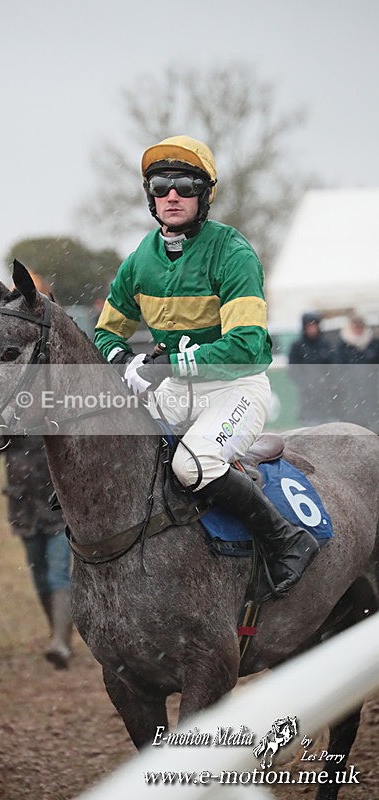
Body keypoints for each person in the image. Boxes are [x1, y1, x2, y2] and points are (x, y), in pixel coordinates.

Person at [94, 135, 319, 600]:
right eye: (160, 185)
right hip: (176, 391)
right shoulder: (139, 259)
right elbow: (105, 333)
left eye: (184, 184)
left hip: (234, 389)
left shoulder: (232, 252)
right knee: (117, 453)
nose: (171, 194)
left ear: (205, 193)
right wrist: (124, 361)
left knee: (192, 467)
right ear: (150, 195)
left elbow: (247, 345)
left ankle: (285, 540)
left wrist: (168, 365)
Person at [0, 436, 73, 669]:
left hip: (60, 510)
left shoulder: (55, 413)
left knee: (58, 574)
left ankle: (60, 642)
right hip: (24, 511)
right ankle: (59, 631)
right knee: (41, 579)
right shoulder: (7, 420)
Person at [333, 313, 379, 431]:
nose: (358, 330)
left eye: (360, 327)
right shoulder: (343, 346)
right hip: (350, 391)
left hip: (370, 391)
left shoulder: (373, 345)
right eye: (355, 327)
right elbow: (338, 368)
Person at [288, 312, 335, 425]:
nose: (312, 329)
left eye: (314, 326)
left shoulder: (325, 344)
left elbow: (332, 365)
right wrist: (305, 382)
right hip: (308, 393)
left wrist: (329, 381)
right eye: (309, 326)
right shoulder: (298, 346)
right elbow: (293, 368)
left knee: (327, 424)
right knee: (311, 425)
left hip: (326, 392)